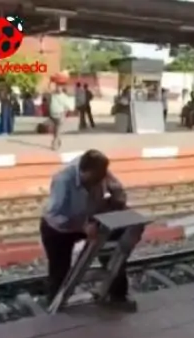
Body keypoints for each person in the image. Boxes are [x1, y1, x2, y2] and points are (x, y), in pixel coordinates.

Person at [41, 150, 137, 311]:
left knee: (114, 253)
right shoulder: (63, 180)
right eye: (92, 181)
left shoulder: (100, 170)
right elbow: (54, 215)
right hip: (60, 228)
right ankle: (55, 304)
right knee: (60, 269)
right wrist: (82, 226)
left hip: (89, 219)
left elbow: (116, 187)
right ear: (83, 171)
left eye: (99, 180)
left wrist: (117, 199)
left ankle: (118, 295)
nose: (95, 184)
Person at [48, 83, 73, 150]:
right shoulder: (53, 95)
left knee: (57, 131)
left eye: (59, 87)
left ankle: (54, 145)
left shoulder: (64, 97)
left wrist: (64, 113)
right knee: (55, 131)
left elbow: (68, 107)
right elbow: (49, 88)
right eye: (57, 87)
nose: (58, 89)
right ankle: (58, 141)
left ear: (62, 89)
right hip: (52, 115)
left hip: (60, 115)